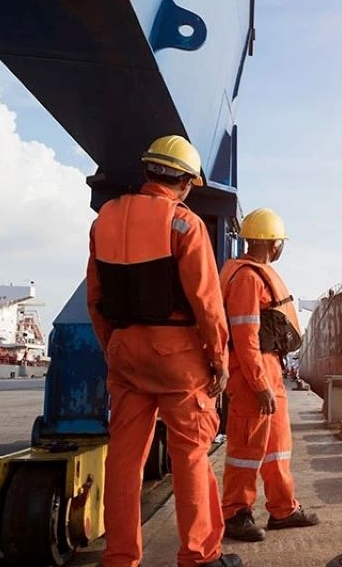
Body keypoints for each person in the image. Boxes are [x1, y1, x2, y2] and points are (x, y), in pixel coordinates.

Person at [86, 135, 243, 567]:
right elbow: (207, 303)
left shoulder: (105, 220)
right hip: (178, 358)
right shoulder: (183, 223)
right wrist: (219, 362)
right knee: (190, 455)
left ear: (147, 171)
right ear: (187, 182)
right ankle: (199, 555)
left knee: (123, 459)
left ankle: (119, 557)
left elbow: (95, 298)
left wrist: (113, 347)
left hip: (124, 351)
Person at [220, 208, 319, 542]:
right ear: (273, 242)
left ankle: (283, 509)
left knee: (278, 446)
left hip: (269, 369)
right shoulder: (247, 278)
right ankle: (235, 513)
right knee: (246, 448)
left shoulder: (254, 273)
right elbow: (245, 335)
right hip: (253, 374)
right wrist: (259, 383)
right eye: (280, 242)